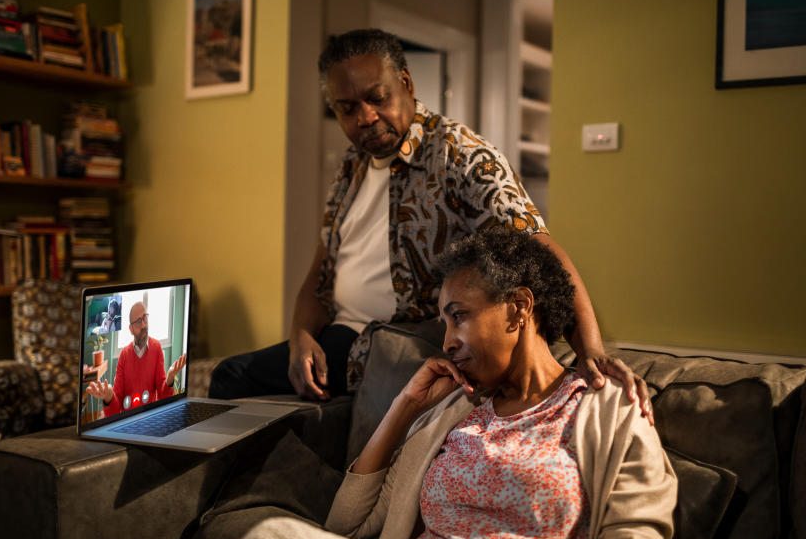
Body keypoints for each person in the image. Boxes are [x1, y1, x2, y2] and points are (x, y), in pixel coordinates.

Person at [121, 228, 675, 539]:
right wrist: (404, 409)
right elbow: (347, 526)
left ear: (520, 308)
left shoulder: (609, 410)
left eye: (459, 316)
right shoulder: (453, 410)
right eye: (443, 323)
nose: (449, 340)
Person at [209, 28, 652, 423]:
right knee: (229, 379)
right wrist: (300, 338)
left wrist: (590, 348)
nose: (364, 117)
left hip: (397, 343)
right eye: (347, 108)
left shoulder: (458, 154)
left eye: (377, 98)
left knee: (236, 380)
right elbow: (319, 275)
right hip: (337, 336)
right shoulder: (351, 168)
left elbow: (538, 247)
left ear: (405, 82)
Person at [86, 301, 187, 417]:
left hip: (150, 419)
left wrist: (170, 378)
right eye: (138, 321)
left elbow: (163, 396)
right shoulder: (124, 355)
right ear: (131, 329)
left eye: (145, 318)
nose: (143, 325)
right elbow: (115, 408)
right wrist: (109, 396)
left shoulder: (156, 347)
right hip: (127, 421)